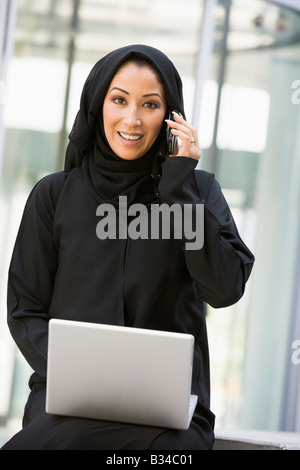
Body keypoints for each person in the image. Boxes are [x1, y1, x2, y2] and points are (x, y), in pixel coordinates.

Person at [2, 44, 254, 450]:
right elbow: (26, 310)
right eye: (119, 100)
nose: (132, 119)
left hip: (171, 416)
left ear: (171, 116)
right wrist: (81, 373)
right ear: (96, 105)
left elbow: (224, 289)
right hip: (68, 405)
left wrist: (179, 190)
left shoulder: (198, 191)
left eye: (150, 104)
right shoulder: (54, 196)